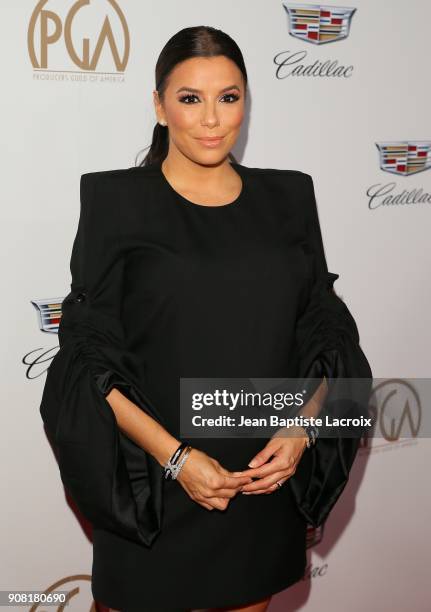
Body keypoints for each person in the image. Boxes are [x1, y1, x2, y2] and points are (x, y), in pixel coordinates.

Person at [39, 25, 373, 612]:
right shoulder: (117, 204)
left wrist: (301, 432)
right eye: (191, 98)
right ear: (159, 105)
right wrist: (176, 459)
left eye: (230, 96)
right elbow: (86, 360)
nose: (213, 119)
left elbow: (326, 334)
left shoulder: (290, 199)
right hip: (154, 490)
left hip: (260, 488)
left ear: (247, 100)